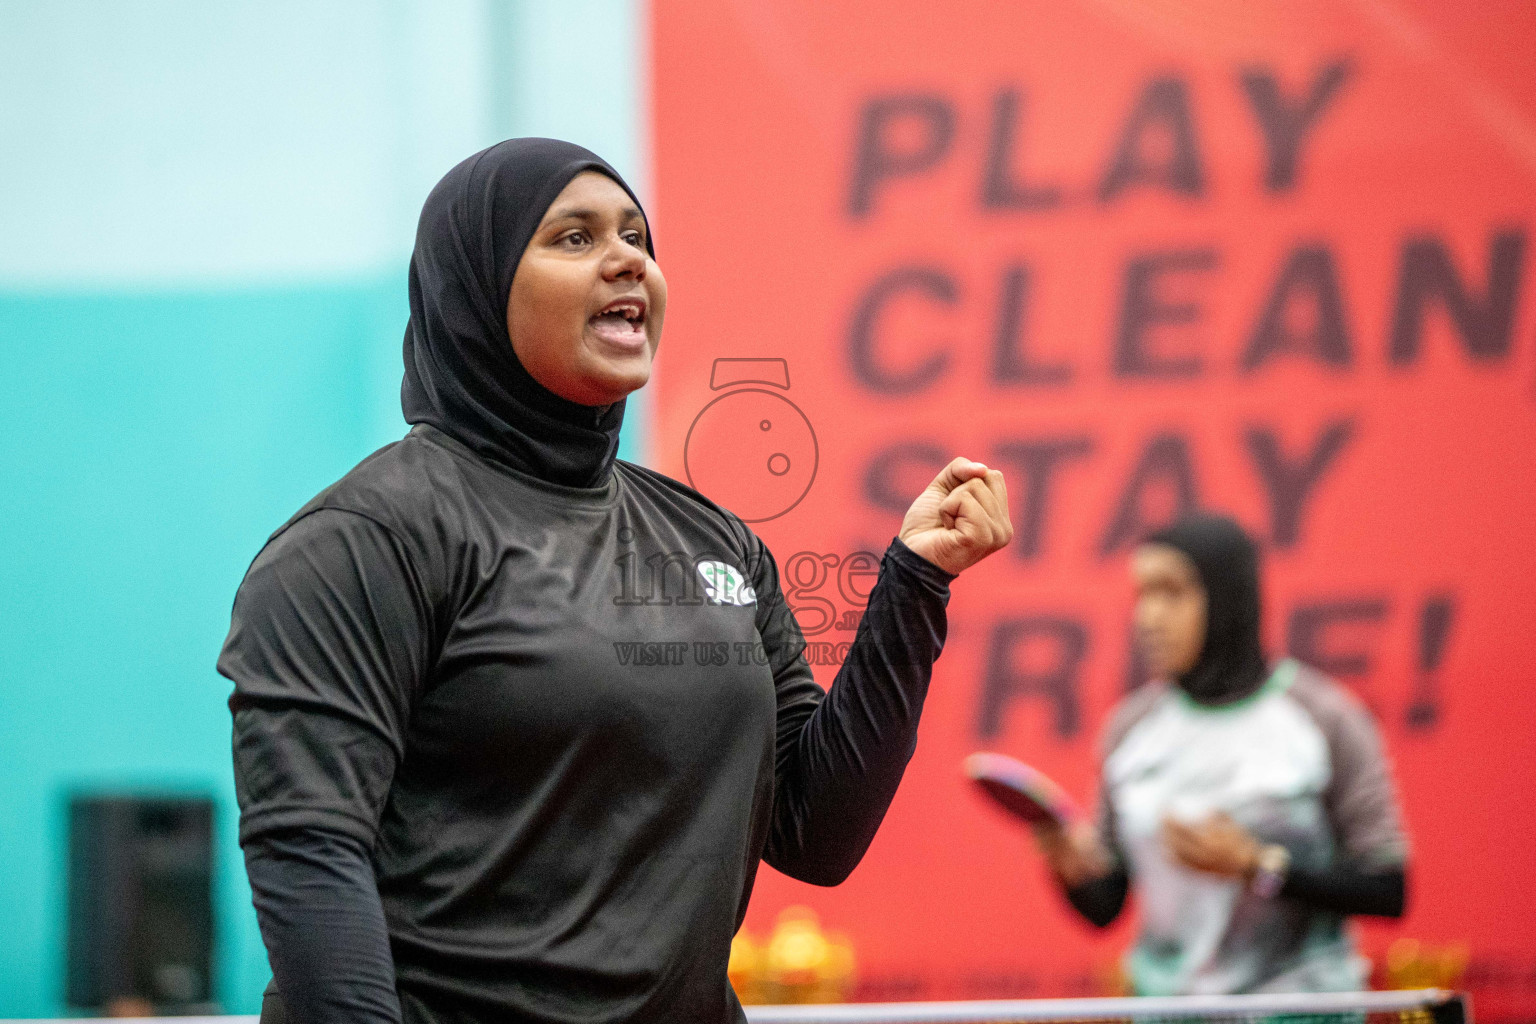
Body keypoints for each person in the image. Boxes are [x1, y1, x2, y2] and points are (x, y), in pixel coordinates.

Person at [218, 138, 1012, 1024]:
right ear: (475, 287)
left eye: (637, 234)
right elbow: (310, 854)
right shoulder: (366, 540)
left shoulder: (714, 541)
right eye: (573, 237)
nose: (628, 257)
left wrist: (913, 587)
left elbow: (817, 831)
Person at [1032, 513, 1409, 995]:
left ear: (1227, 597)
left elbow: (1388, 889)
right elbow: (1106, 909)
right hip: (1167, 1012)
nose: (1148, 616)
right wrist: (1073, 871)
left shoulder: (1324, 716)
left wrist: (1257, 866)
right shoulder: (1130, 728)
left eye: (1171, 592)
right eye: (1142, 595)